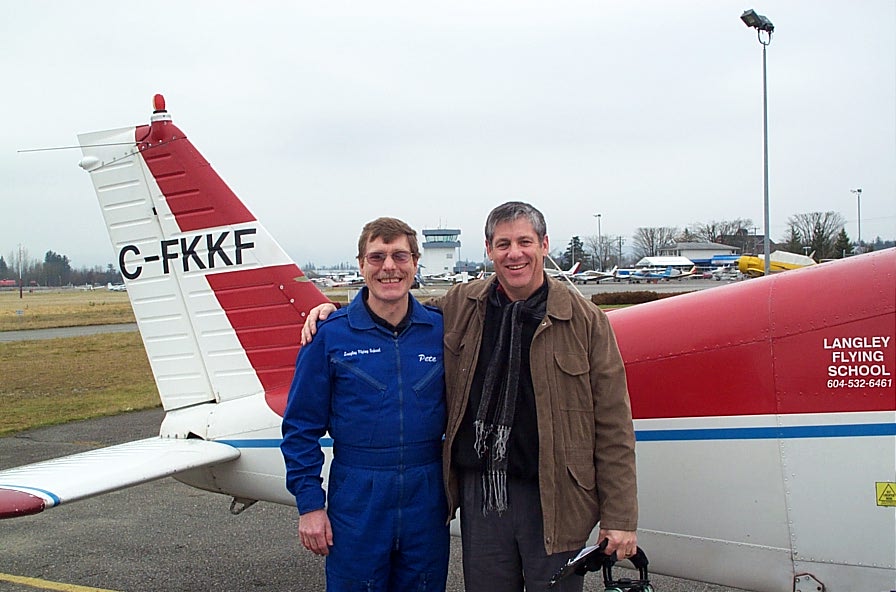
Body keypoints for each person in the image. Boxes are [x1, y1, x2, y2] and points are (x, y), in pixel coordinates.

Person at [303, 202, 638, 592]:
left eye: (524, 242)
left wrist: (621, 518)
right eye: (503, 244)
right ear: (488, 249)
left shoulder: (586, 321)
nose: (514, 253)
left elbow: (613, 425)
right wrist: (336, 312)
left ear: (544, 245)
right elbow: (395, 308)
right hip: (482, 496)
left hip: (554, 495)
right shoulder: (464, 304)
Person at [281, 217, 449, 592]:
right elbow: (299, 429)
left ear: (415, 263)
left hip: (427, 497)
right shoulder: (330, 336)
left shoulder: (442, 330)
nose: (389, 267)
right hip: (358, 499)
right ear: (360, 264)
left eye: (399, 256)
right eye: (377, 257)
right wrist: (310, 504)